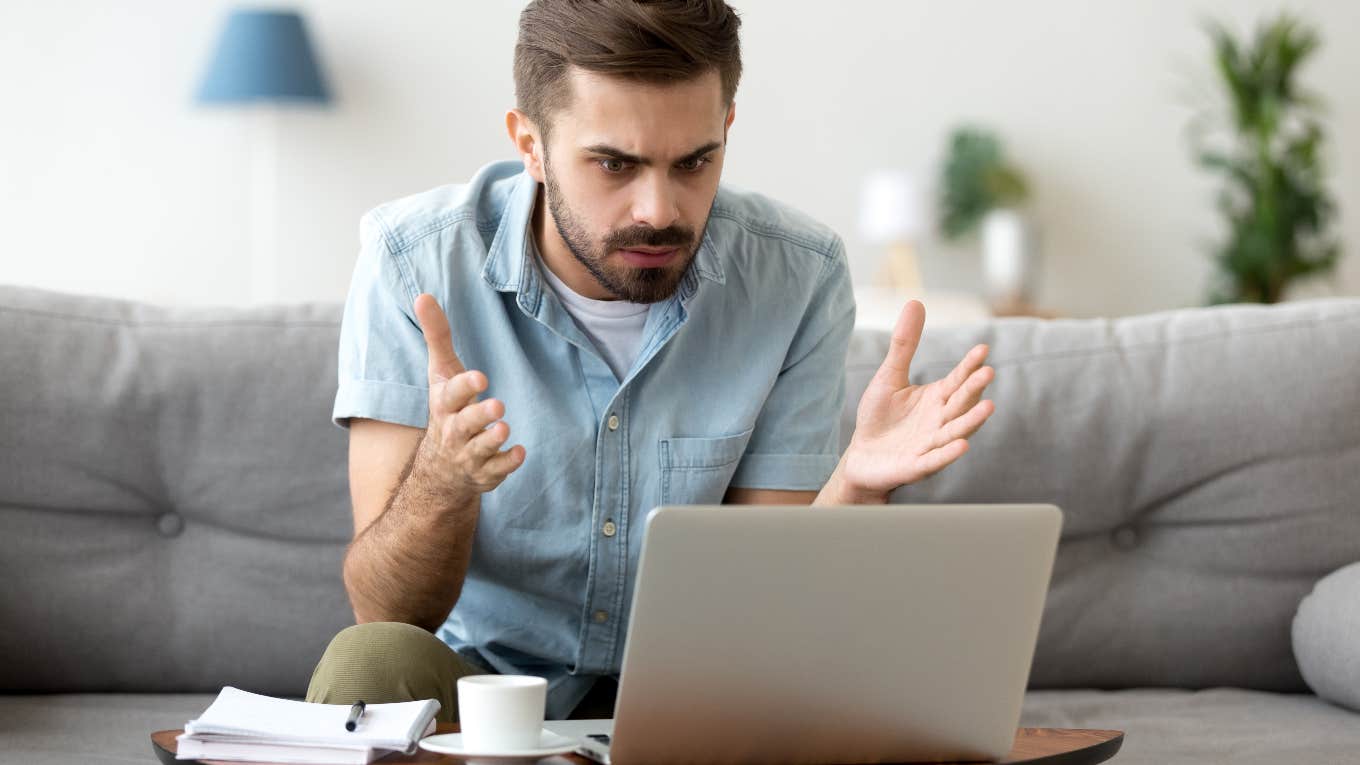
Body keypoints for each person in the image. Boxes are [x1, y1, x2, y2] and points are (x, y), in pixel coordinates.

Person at [306, 0, 996, 723]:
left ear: (727, 126)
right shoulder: (413, 261)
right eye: (614, 163)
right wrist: (443, 480)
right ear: (531, 144)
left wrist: (855, 484)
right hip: (486, 694)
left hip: (703, 691)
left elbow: (768, 610)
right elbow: (384, 609)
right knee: (369, 660)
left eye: (694, 161)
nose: (659, 211)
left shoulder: (798, 275)